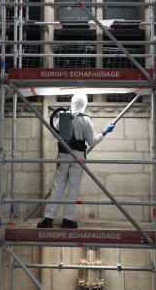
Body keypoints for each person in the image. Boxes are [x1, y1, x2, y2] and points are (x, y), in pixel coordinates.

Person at [37, 93, 115, 229]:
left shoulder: (61, 117)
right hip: (78, 157)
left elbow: (56, 132)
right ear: (85, 104)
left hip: (63, 156)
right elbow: (92, 141)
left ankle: (48, 219)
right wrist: (104, 132)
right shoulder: (86, 120)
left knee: (57, 186)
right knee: (73, 188)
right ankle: (67, 220)